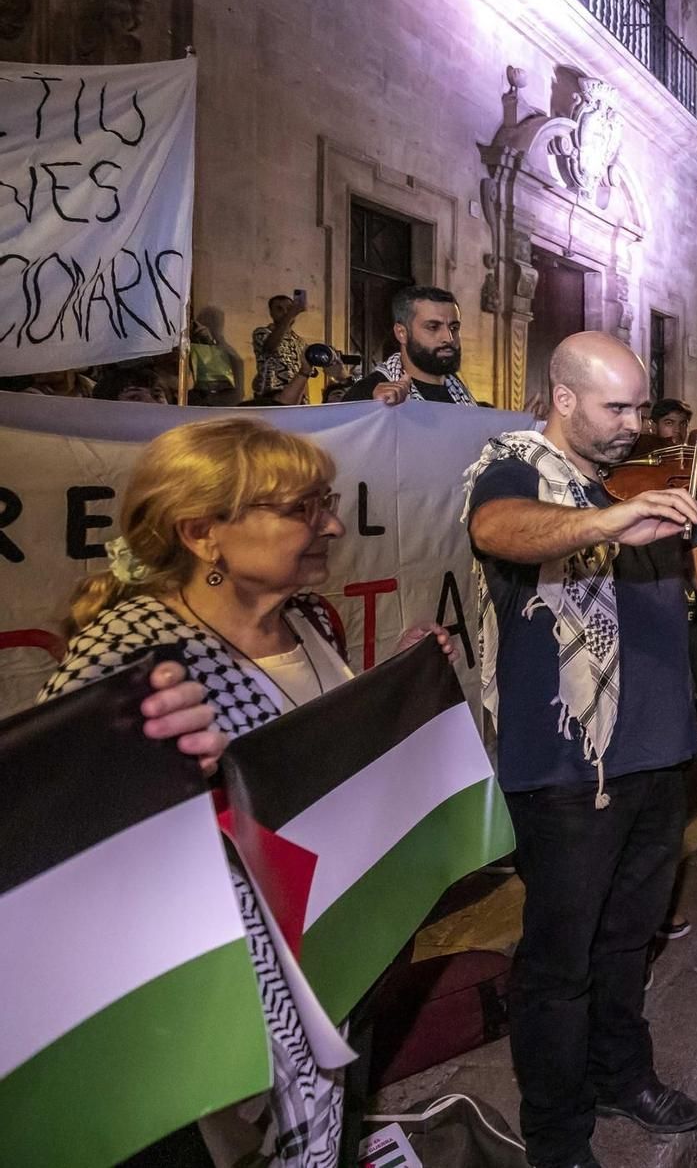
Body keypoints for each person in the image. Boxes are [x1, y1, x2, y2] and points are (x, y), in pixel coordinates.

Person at [40, 417, 455, 1166]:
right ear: (203, 532)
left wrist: (393, 679)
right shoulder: (132, 653)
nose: (331, 522)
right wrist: (145, 776)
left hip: (334, 965)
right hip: (213, 1037)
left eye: (326, 500)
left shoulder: (303, 619)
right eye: (302, 508)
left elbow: (312, 747)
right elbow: (53, 832)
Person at [466, 334, 697, 1163]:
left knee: (630, 936)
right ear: (562, 397)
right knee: (560, 958)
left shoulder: (650, 478)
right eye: (615, 407)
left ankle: (623, 1071)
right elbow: (498, 528)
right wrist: (605, 519)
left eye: (637, 405)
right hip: (564, 761)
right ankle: (557, 1131)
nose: (634, 423)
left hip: (657, 746)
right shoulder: (516, 464)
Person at [343, 285, 476, 405]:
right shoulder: (366, 396)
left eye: (454, 328)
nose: (449, 338)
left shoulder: (462, 394)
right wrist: (375, 410)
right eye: (433, 327)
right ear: (402, 333)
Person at [250, 292, 310, 404]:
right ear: (271, 313)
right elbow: (269, 348)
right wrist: (290, 315)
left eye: (288, 308)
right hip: (271, 397)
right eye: (279, 309)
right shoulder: (262, 333)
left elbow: (305, 373)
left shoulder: (300, 341)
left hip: (297, 398)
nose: (285, 312)